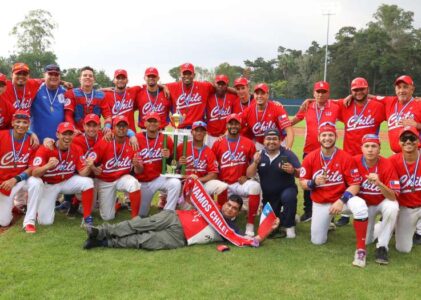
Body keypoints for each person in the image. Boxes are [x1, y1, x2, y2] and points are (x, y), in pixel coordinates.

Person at [83, 194, 279, 250]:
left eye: (234, 208)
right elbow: (191, 192)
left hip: (179, 237)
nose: (229, 209)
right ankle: (100, 231)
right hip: (174, 216)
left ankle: (103, 242)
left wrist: (268, 230)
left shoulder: (231, 230)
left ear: (238, 212)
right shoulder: (210, 207)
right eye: (228, 205)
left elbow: (250, 241)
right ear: (224, 204)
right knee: (138, 224)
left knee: (142, 241)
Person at [300, 123, 369, 267]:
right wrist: (313, 183)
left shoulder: (345, 157)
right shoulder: (310, 157)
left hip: (341, 200)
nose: (327, 138)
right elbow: (302, 183)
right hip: (321, 202)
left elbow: (355, 184)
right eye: (324, 135)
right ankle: (327, 223)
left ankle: (361, 250)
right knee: (317, 241)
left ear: (336, 137)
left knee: (361, 206)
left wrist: (342, 200)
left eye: (330, 135)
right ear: (319, 138)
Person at [23, 122, 94, 232]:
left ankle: (87, 218)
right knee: (45, 222)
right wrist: (47, 166)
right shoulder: (46, 148)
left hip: (66, 181)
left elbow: (82, 173)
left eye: (70, 134)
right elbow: (34, 173)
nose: (67, 137)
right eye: (64, 134)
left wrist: (90, 166)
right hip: (49, 185)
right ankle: (38, 209)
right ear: (57, 135)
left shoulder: (76, 149)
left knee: (88, 182)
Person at [291, 81, 339, 222]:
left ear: (328, 94)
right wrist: (279, 124)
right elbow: (295, 119)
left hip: (328, 151)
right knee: (307, 181)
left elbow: (349, 100)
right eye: (318, 92)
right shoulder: (307, 107)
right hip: (309, 150)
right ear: (314, 93)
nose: (320, 94)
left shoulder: (336, 107)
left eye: (323, 92)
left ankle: (330, 214)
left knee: (329, 181)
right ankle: (308, 211)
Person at [212, 114, 261, 237]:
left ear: (240, 125)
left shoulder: (248, 143)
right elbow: (213, 166)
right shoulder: (218, 143)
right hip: (224, 183)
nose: (233, 126)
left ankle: (250, 225)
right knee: (222, 190)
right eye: (231, 123)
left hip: (240, 183)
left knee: (255, 186)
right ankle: (223, 221)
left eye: (236, 124)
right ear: (227, 125)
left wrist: (248, 177)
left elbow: (253, 165)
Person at [354, 134, 399, 264]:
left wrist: (379, 183)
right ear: (361, 148)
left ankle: (382, 246)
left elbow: (393, 196)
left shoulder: (387, 164)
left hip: (381, 202)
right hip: (364, 206)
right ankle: (380, 227)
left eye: (374, 146)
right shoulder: (354, 161)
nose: (370, 149)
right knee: (367, 240)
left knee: (393, 206)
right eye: (367, 146)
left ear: (379, 149)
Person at [247, 129, 301, 238]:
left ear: (280, 141)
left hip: (286, 189)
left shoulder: (287, 153)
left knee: (289, 197)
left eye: (275, 139)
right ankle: (288, 217)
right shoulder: (259, 154)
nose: (271, 141)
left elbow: (301, 173)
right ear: (264, 141)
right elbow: (249, 174)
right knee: (269, 229)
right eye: (268, 139)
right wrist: (255, 163)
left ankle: (289, 226)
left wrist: (293, 170)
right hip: (269, 196)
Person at [87, 115, 141, 221]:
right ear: (113, 128)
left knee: (134, 183)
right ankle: (117, 204)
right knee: (107, 217)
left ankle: (135, 218)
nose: (121, 128)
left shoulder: (132, 143)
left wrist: (137, 165)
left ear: (128, 128)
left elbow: (139, 171)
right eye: (118, 126)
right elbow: (90, 160)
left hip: (122, 177)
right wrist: (93, 168)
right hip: (105, 180)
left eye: (124, 126)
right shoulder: (105, 141)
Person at [133, 112, 181, 217]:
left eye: (155, 121)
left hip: (157, 178)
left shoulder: (166, 139)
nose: (152, 124)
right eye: (150, 121)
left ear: (160, 124)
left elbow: (173, 164)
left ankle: (168, 213)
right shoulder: (136, 138)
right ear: (145, 123)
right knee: (142, 214)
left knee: (175, 183)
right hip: (141, 181)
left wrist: (169, 157)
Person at [0, 110, 37, 227]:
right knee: (4, 222)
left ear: (29, 125)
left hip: (19, 180)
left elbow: (32, 168)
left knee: (37, 182)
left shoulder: (32, 141)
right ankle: (11, 206)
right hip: (3, 182)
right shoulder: (2, 136)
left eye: (25, 122)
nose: (21, 125)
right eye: (18, 122)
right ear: (12, 123)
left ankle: (30, 218)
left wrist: (15, 179)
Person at [178, 120, 228, 202]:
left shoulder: (209, 152)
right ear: (191, 132)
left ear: (205, 133)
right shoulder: (182, 147)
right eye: (196, 130)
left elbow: (213, 174)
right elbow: (171, 167)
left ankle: (221, 210)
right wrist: (178, 164)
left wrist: (198, 180)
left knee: (223, 186)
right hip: (184, 184)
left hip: (201, 184)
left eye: (202, 131)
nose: (199, 133)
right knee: (187, 210)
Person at [389, 126, 421, 253]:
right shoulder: (391, 161)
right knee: (403, 249)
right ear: (399, 142)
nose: (408, 141)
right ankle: (388, 226)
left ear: (418, 140)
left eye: (412, 138)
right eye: (404, 138)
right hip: (406, 208)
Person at [241, 83, 293, 150]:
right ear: (254, 95)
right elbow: (236, 123)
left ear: (267, 95)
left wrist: (288, 149)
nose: (259, 96)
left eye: (262, 93)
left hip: (278, 143)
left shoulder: (277, 108)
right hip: (260, 144)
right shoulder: (248, 111)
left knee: (282, 159)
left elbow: (289, 130)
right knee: (256, 159)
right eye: (257, 93)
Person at [165, 63, 214, 129]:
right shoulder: (172, 87)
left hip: (197, 129)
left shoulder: (204, 87)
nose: (187, 76)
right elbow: (155, 86)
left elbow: (220, 87)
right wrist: (162, 87)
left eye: (189, 74)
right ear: (181, 75)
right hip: (179, 128)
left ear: (194, 75)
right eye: (184, 74)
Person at [64, 66, 111, 132]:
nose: (88, 77)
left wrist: (107, 126)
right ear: (80, 79)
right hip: (78, 133)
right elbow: (68, 115)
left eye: (90, 76)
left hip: (95, 133)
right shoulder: (71, 93)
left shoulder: (101, 95)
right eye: (85, 75)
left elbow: (108, 115)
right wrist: (73, 129)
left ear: (94, 80)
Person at [30, 64, 67, 142]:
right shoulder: (36, 89)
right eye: (50, 74)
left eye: (56, 74)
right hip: (37, 141)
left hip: (58, 142)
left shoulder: (65, 92)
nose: (53, 77)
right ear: (44, 75)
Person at [205, 75, 235, 147]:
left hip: (226, 135)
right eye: (218, 84)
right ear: (215, 84)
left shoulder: (232, 97)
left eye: (223, 84)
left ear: (227, 86)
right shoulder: (208, 97)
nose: (220, 86)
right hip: (210, 136)